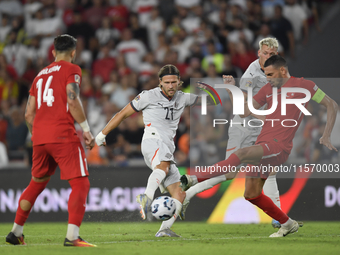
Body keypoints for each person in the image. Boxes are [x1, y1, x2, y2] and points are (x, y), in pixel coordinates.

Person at [185, 55, 338, 237]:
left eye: (271, 74)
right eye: (266, 75)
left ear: (283, 70)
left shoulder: (305, 86)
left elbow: (332, 104)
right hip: (263, 143)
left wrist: (326, 135)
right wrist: (232, 89)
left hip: (279, 146)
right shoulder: (267, 89)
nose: (268, 79)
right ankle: (287, 224)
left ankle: (194, 179)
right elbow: (244, 112)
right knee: (251, 194)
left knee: (241, 153)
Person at [95, 64, 216, 237]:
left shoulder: (183, 98)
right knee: (163, 165)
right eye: (167, 82)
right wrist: (101, 135)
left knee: (179, 195)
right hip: (152, 140)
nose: (171, 86)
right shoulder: (147, 96)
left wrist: (207, 86)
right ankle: (147, 196)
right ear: (160, 82)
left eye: (174, 82)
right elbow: (122, 114)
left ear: (179, 82)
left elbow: (213, 100)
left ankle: (164, 230)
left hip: (166, 147)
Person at [181, 38, 285, 228]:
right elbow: (242, 106)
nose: (268, 56)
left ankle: (278, 218)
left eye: (272, 54)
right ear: (258, 54)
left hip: (261, 128)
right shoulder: (251, 74)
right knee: (229, 173)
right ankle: (187, 193)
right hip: (243, 127)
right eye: (265, 53)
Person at [6, 35, 96, 247]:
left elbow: (28, 114)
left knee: (36, 183)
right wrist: (86, 130)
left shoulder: (39, 76)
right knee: (81, 183)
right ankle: (72, 236)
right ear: (73, 52)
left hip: (39, 138)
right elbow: (72, 101)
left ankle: (16, 232)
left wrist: (37, 135)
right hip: (63, 134)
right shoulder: (72, 69)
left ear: (53, 52)